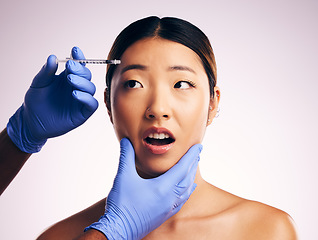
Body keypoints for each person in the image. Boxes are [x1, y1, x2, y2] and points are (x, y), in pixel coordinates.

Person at [0, 16, 298, 239]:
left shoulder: (266, 230)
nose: (157, 108)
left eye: (182, 84)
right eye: (134, 84)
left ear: (213, 103)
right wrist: (18, 136)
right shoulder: (62, 237)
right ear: (107, 102)